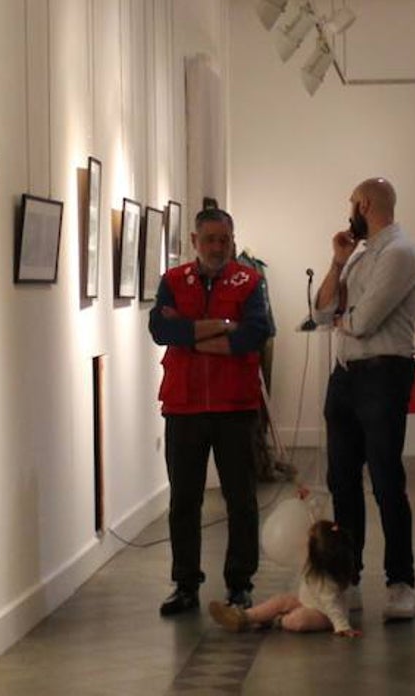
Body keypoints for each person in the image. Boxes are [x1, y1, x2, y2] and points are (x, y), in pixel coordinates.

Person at [148, 207, 273, 617]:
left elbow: (255, 332)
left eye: (224, 239)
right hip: (183, 406)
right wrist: (223, 325)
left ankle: (240, 583)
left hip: (235, 405)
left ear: (232, 240)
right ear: (194, 241)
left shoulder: (250, 281)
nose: (217, 247)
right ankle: (185, 584)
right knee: (184, 500)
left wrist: (193, 332)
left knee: (241, 499)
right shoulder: (173, 281)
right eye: (210, 240)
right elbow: (161, 330)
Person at [311, 177, 415, 621]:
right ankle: (347, 576)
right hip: (345, 376)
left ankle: (400, 582)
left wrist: (343, 318)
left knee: (385, 481)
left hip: (382, 375)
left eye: (351, 204)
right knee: (342, 481)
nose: (350, 211)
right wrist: (338, 262)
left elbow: (363, 321)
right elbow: (323, 312)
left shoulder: (400, 253)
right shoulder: (359, 256)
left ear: (364, 203)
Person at [209, 520, 361, 637]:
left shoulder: (326, 584)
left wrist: (342, 627)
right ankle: (244, 617)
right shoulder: (312, 563)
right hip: (306, 603)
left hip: (323, 615)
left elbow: (332, 607)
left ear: (316, 557)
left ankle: (278, 620)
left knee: (301, 620)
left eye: (308, 542)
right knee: (281, 600)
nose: (304, 542)